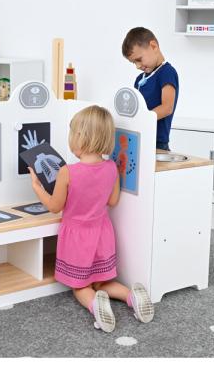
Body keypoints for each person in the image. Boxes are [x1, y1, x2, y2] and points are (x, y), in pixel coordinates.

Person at [28, 105, 154, 332]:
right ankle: (130, 296)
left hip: (77, 237)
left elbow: (55, 207)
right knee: (102, 281)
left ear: (80, 137)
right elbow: (113, 201)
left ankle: (95, 304)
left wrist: (37, 186)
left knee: (80, 286)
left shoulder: (68, 172)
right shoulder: (111, 167)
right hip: (102, 232)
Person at [122, 27, 179, 151]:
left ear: (153, 46)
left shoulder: (167, 72)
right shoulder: (139, 79)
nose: (137, 66)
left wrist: (142, 119)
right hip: (139, 138)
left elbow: (167, 108)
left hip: (157, 143)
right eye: (134, 63)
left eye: (139, 59)